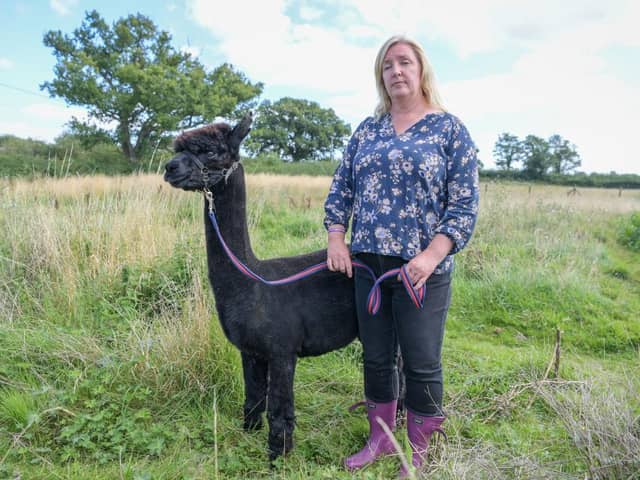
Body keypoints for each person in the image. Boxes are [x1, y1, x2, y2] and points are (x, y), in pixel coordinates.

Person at [323, 34, 479, 477]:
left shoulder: (449, 129)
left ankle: (419, 452)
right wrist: (337, 236)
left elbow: (463, 204)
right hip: (368, 264)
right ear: (381, 76)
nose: (396, 71)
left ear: (422, 70)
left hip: (421, 270)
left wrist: (431, 255)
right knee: (375, 355)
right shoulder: (368, 130)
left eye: (405, 62)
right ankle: (381, 440)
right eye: (388, 65)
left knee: (421, 359)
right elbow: (342, 188)